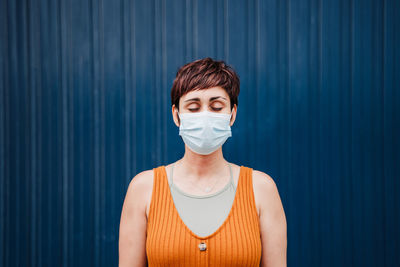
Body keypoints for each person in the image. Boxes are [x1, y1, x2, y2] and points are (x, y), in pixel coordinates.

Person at [119, 57, 287, 267]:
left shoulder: (262, 189)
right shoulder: (143, 189)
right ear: (176, 115)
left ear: (232, 115)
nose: (205, 116)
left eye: (216, 107)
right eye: (193, 107)